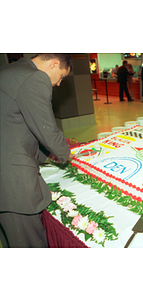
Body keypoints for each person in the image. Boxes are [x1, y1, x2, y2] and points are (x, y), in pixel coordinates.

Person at [0, 53, 74, 248]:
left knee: (10, 241)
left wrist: (43, 154)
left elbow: (13, 124)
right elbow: (46, 128)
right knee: (29, 244)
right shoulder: (35, 77)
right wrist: (65, 153)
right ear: (54, 64)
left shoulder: (8, 70)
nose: (58, 84)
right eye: (61, 76)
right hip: (13, 183)